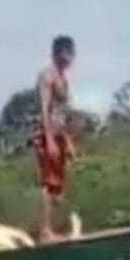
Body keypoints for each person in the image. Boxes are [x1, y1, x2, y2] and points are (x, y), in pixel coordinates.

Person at [34, 35, 77, 242]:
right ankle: (44, 231)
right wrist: (49, 138)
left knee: (59, 185)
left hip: (59, 133)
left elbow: (63, 111)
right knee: (48, 182)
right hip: (47, 133)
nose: (71, 58)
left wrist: (67, 141)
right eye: (68, 54)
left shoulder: (63, 79)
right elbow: (45, 109)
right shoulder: (47, 76)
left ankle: (54, 227)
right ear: (60, 53)